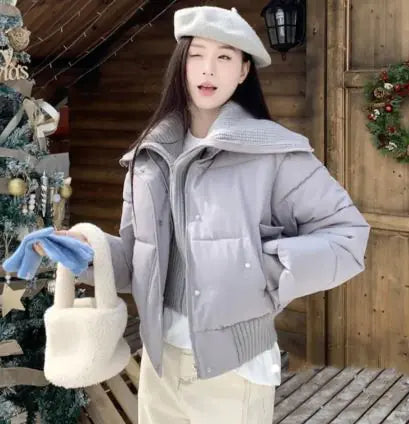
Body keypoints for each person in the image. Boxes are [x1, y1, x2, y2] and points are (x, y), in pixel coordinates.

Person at [34, 5, 371, 424]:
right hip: (159, 364)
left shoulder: (275, 153)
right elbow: (139, 263)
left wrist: (262, 269)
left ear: (243, 71)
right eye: (197, 55)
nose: (208, 69)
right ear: (181, 65)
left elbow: (348, 236)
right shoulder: (148, 156)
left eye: (225, 57)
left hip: (235, 370)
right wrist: (87, 253)